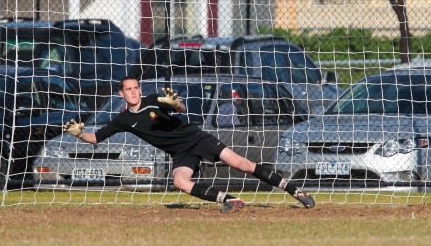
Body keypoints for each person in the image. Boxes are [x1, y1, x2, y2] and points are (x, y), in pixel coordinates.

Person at [63, 76, 315, 213]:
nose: (133, 92)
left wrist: (175, 103)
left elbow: (179, 107)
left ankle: (296, 191)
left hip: (197, 139)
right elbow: (95, 138)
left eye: (136, 88)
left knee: (243, 164)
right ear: (121, 94)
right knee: (180, 181)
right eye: (128, 89)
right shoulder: (123, 119)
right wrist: (78, 133)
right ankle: (229, 200)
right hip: (181, 153)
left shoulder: (153, 100)